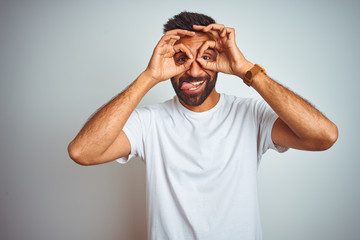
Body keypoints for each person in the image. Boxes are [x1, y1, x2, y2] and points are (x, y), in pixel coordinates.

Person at [68, 11, 338, 240]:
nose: (195, 71)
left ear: (220, 59)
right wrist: (149, 77)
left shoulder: (250, 114)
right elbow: (83, 152)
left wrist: (245, 69)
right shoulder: (149, 122)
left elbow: (324, 136)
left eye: (206, 57)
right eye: (182, 58)